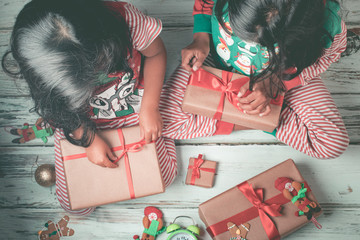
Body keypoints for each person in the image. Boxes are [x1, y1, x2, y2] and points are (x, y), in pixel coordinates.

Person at [2, 0, 177, 215]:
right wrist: (88, 140)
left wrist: (150, 108)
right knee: (75, 206)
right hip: (80, 121)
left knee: (165, 176)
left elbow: (156, 54)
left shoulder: (127, 20)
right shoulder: (40, 67)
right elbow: (57, 111)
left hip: (136, 101)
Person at [159, 0, 349, 159]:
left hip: (283, 74)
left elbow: (329, 57)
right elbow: (206, 3)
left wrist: (277, 83)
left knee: (332, 144)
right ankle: (260, 118)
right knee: (163, 121)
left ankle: (260, 115)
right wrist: (201, 38)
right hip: (216, 60)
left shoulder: (325, 22)